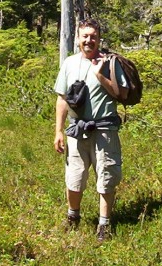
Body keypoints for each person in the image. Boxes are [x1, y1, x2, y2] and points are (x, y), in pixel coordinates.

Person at [53, 18, 129, 242]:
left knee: (106, 177)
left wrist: (100, 76)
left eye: (93, 36)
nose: (89, 40)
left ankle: (104, 225)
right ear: (77, 39)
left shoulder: (111, 62)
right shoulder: (69, 63)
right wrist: (58, 130)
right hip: (77, 131)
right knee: (74, 177)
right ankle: (73, 217)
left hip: (105, 130)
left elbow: (121, 94)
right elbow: (62, 99)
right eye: (84, 36)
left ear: (99, 38)